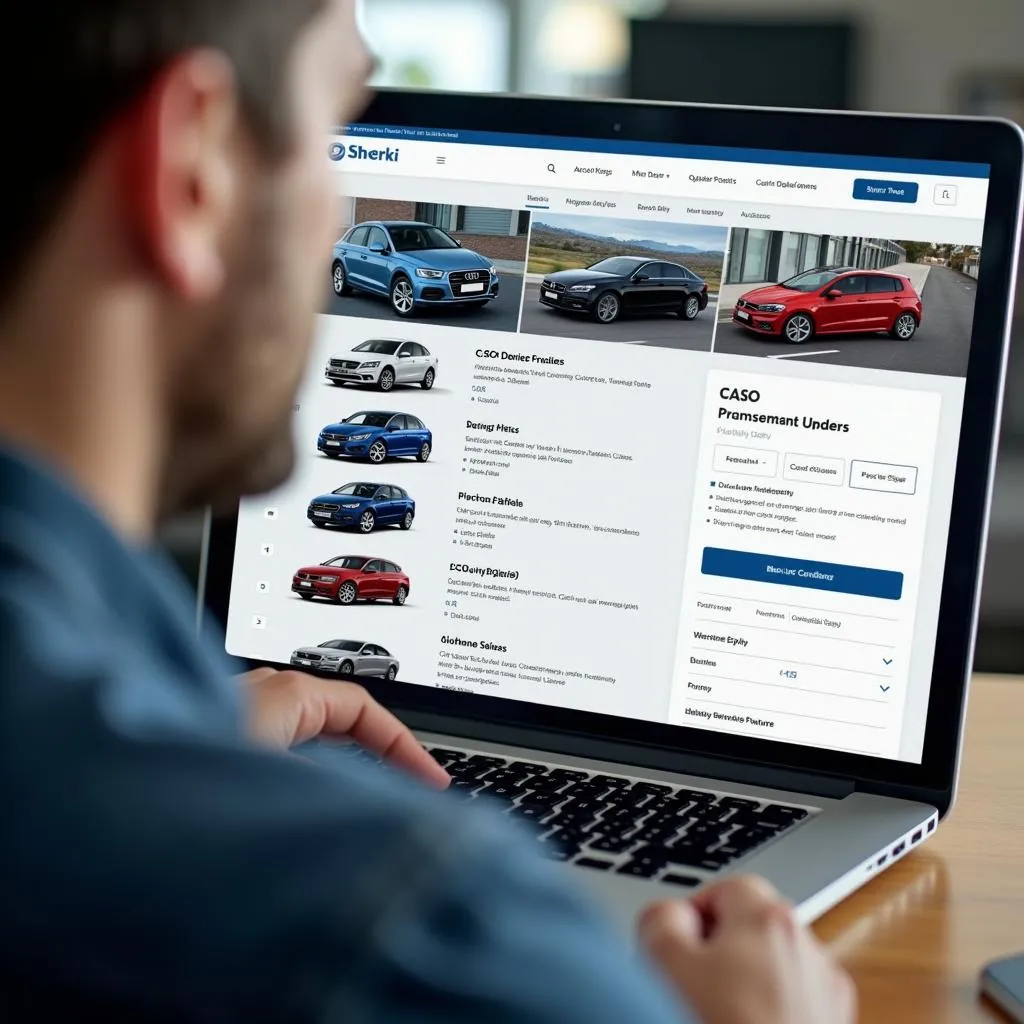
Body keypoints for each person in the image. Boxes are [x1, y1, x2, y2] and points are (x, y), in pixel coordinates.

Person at [0, 2, 855, 1021]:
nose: (334, 217)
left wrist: (179, 749)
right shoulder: (413, 919)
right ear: (191, 169)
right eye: (337, 129)